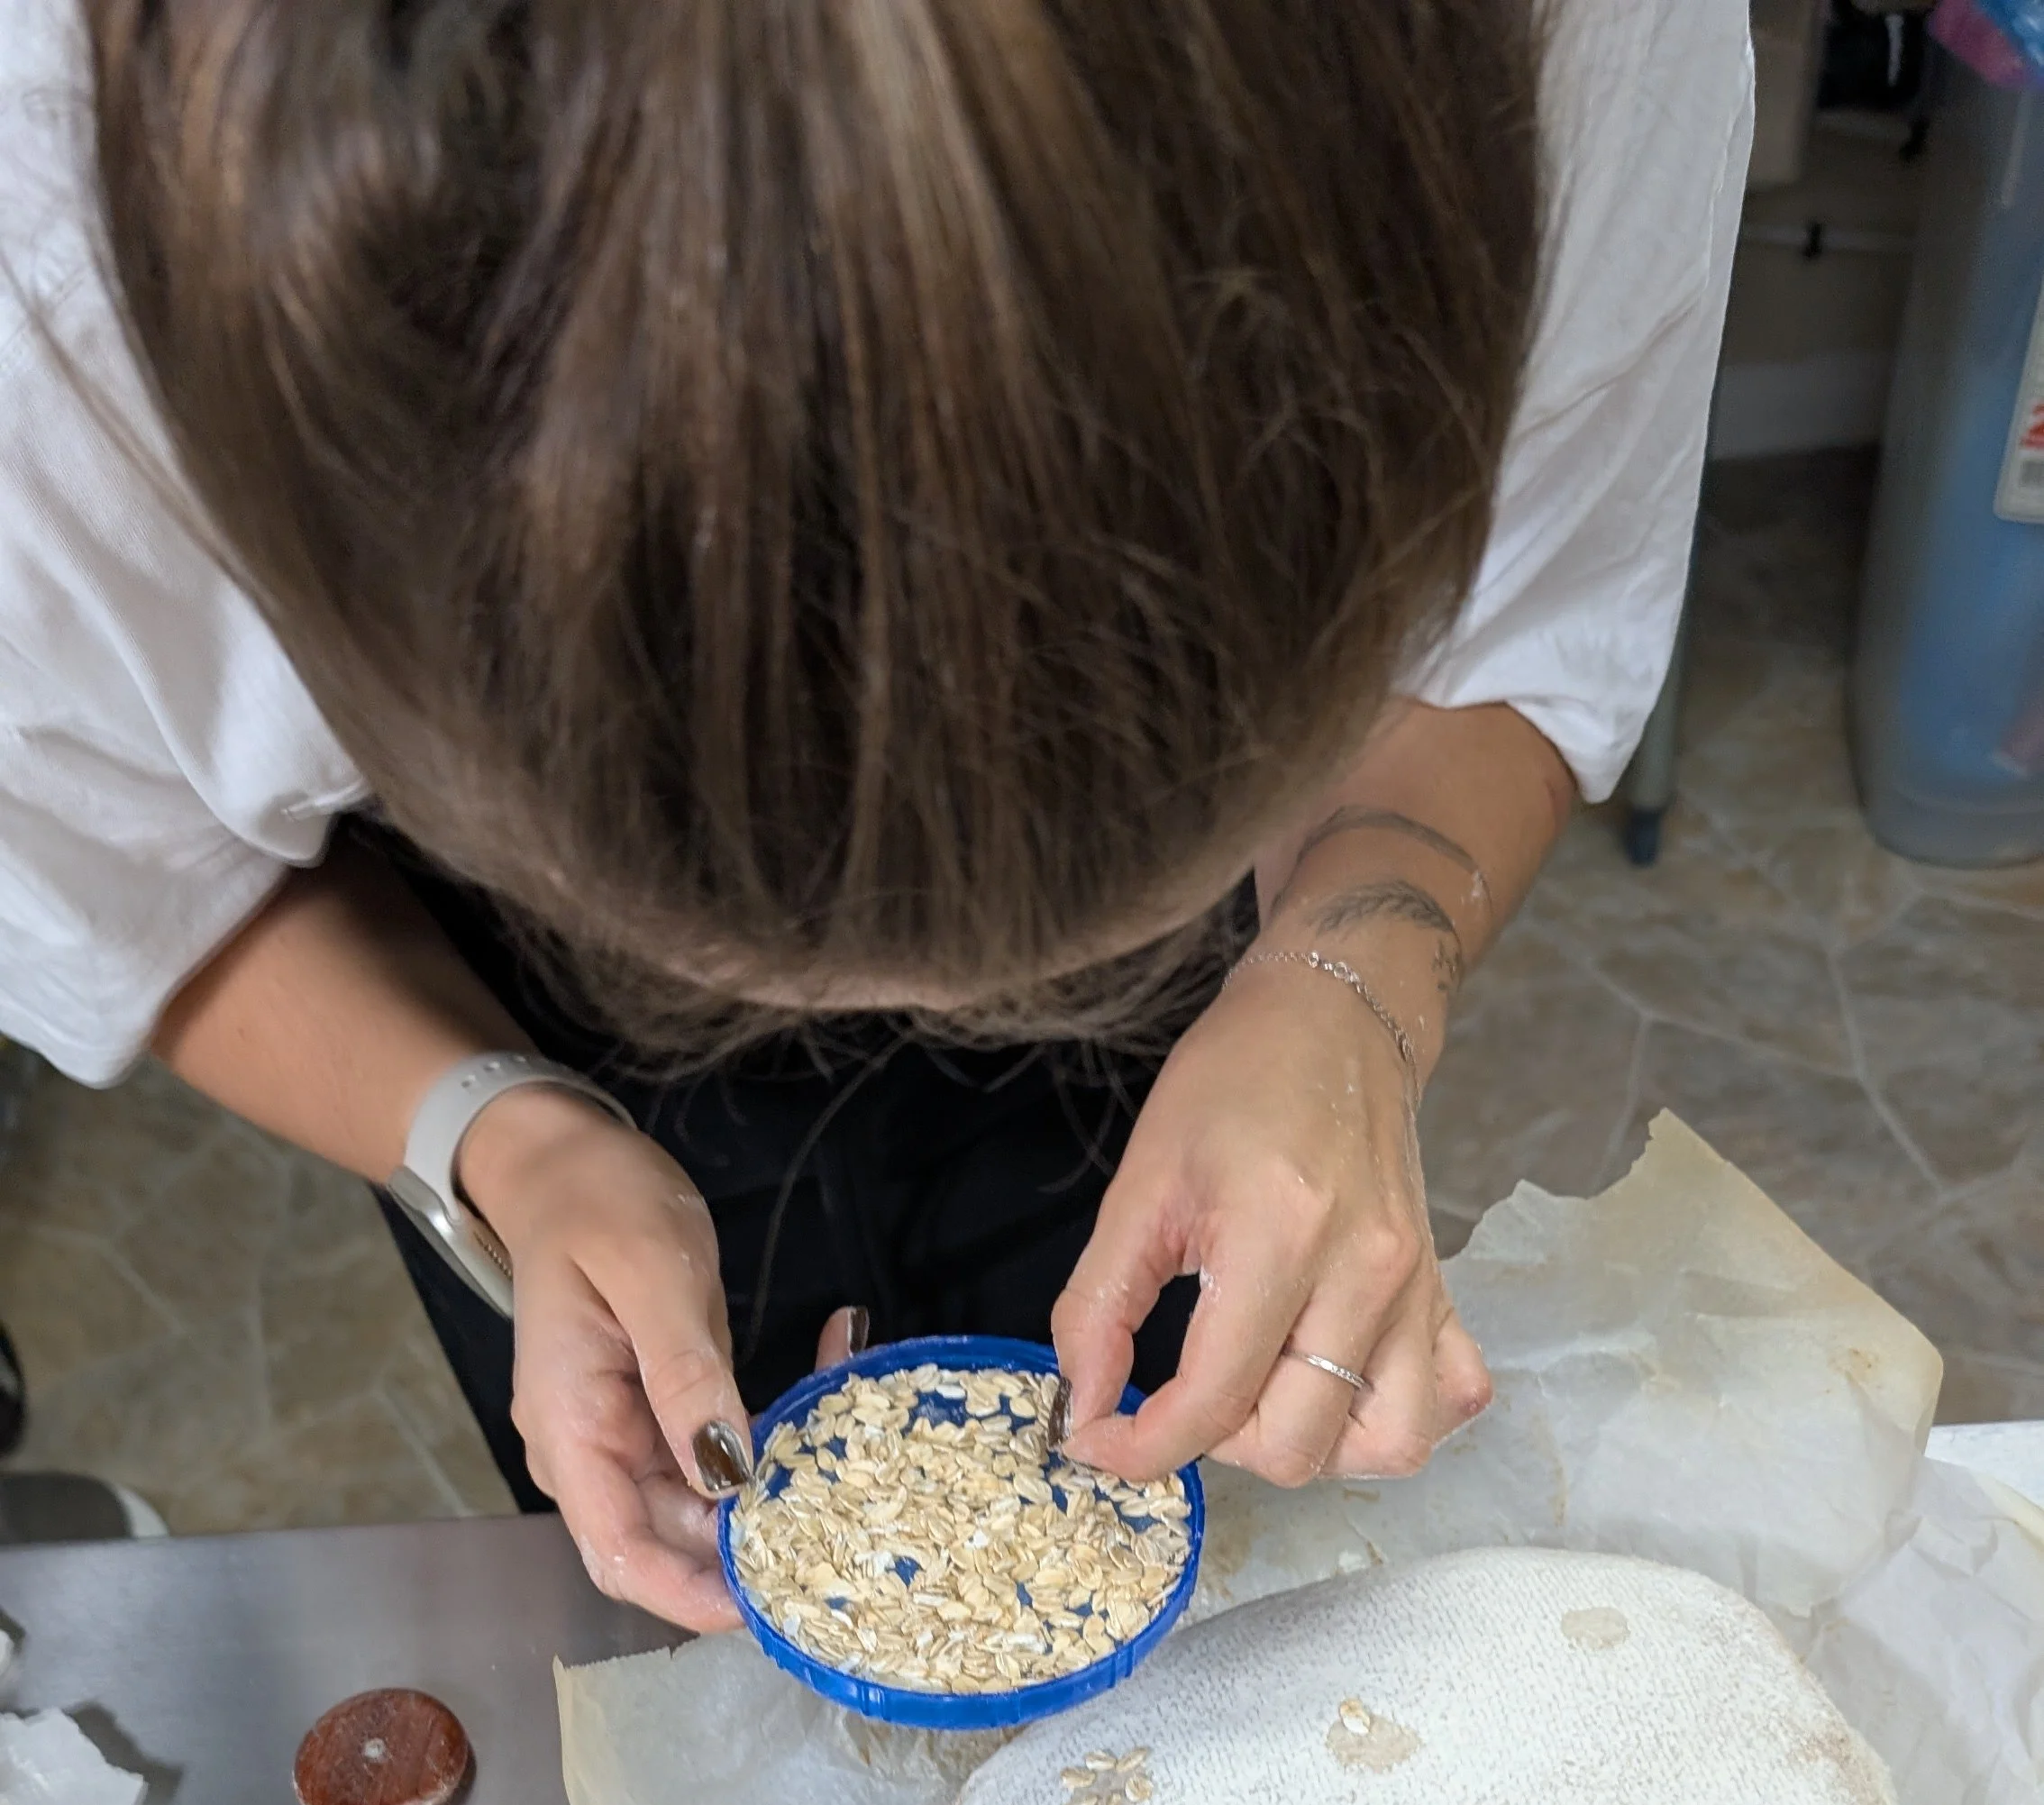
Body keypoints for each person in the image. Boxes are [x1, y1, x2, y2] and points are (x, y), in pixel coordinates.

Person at [0, 0, 1751, 1632]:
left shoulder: (1571, 48)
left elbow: (1531, 611)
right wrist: (496, 1135)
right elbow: (111, 863)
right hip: (473, 978)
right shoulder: (43, 293)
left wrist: (1343, 987)